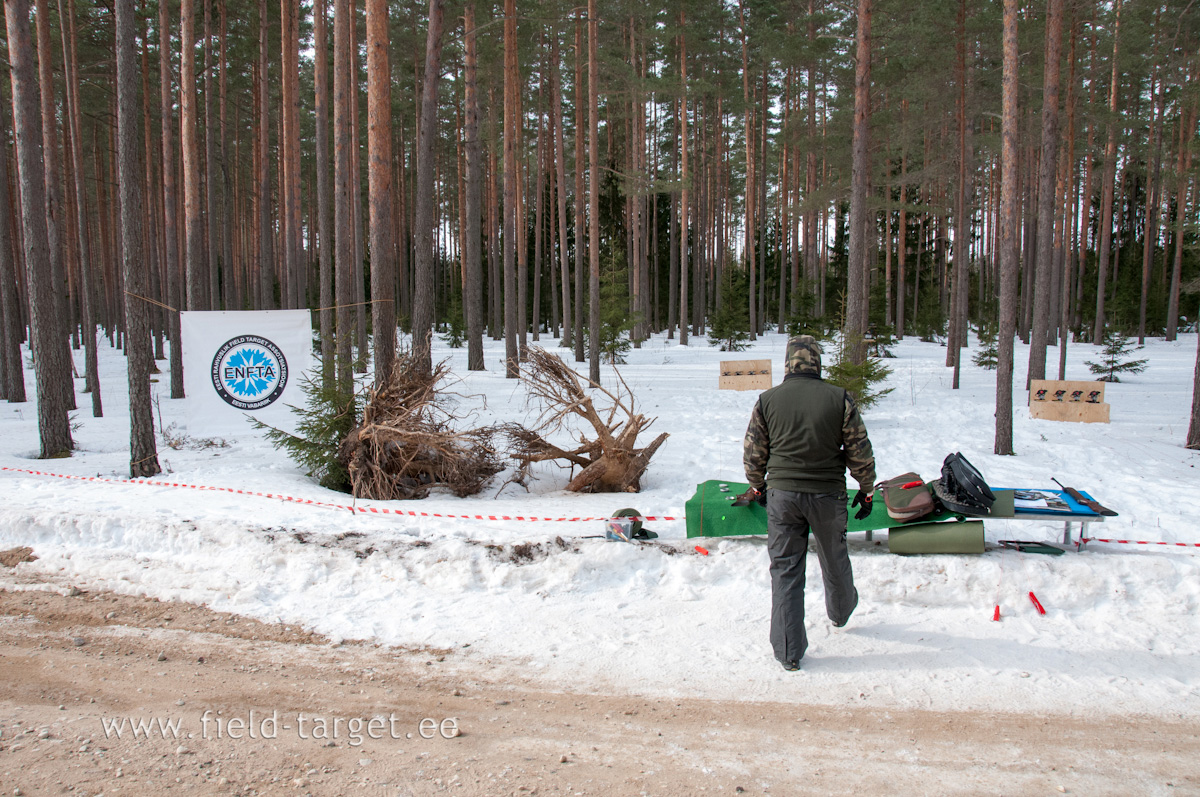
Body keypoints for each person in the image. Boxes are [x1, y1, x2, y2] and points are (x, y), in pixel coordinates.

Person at [742, 335, 876, 671]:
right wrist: (866, 487)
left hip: (783, 497)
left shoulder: (767, 400)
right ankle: (841, 611)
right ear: (817, 361)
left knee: (786, 569)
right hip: (828, 496)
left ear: (788, 362)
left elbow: (753, 452)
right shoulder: (839, 398)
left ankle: (788, 651)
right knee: (835, 556)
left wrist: (758, 486)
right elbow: (859, 449)